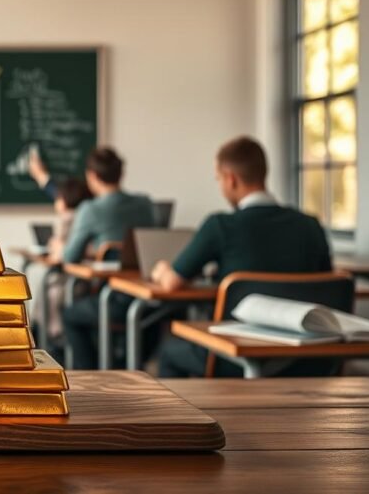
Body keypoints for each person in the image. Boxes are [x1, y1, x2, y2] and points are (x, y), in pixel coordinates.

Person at [153, 136, 333, 377]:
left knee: (169, 352)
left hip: (234, 356)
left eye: (218, 179)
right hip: (308, 358)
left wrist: (161, 269)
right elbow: (328, 284)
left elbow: (172, 282)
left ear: (231, 179)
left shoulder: (220, 225)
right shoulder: (311, 226)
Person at [59, 147, 156, 369]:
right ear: (121, 173)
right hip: (149, 297)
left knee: (70, 316)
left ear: (92, 176)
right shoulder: (145, 204)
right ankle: (122, 365)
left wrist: (63, 248)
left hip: (112, 299)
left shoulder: (90, 209)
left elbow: (69, 257)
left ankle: (90, 373)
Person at [44, 177, 92, 338]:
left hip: (72, 280)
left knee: (47, 290)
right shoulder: (84, 215)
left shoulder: (68, 219)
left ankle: (48, 336)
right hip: (80, 279)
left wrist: (56, 246)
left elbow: (61, 255)